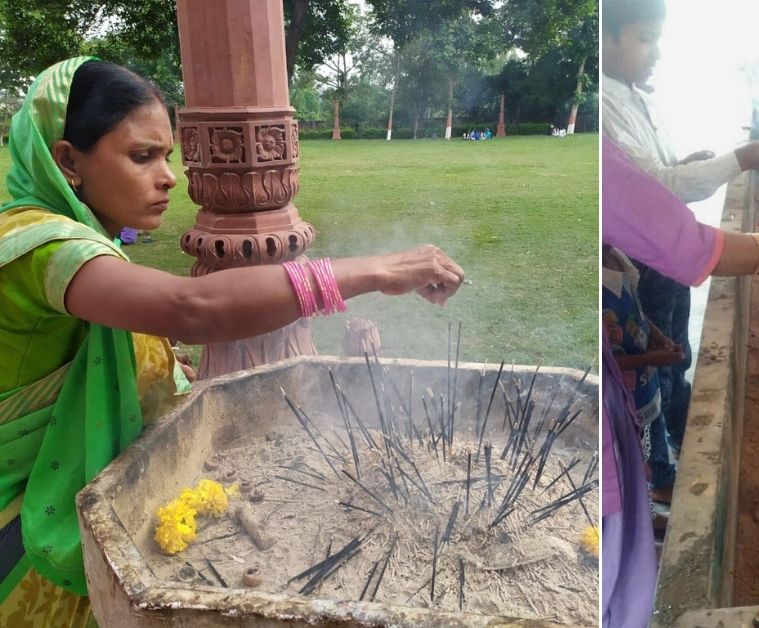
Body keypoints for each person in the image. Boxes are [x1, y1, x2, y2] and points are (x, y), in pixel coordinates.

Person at [0, 57, 465, 626]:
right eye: (142, 156)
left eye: (166, 155)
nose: (169, 176)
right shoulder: (36, 243)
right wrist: (373, 271)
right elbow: (191, 308)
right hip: (23, 522)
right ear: (67, 160)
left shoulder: (75, 236)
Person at [601, 136, 759, 627]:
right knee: (617, 550)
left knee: (634, 473)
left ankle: (637, 522)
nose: (651, 53)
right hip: (615, 409)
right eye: (644, 48)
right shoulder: (603, 164)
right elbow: (684, 244)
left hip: (625, 402)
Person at [602, 0, 759, 479]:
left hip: (664, 261)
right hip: (642, 265)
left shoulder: (630, 93)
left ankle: (685, 443)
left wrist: (685, 163)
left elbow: (654, 175)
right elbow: (657, 191)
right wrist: (737, 160)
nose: (656, 52)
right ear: (605, 39)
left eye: (657, 39)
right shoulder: (604, 105)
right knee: (650, 369)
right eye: (644, 39)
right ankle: (661, 473)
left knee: (675, 355)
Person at [602, 244, 683, 508]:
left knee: (653, 428)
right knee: (633, 456)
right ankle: (649, 496)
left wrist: (659, 337)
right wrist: (652, 359)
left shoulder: (616, 256)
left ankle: (659, 484)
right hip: (626, 393)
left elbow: (638, 309)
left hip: (647, 385)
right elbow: (610, 362)